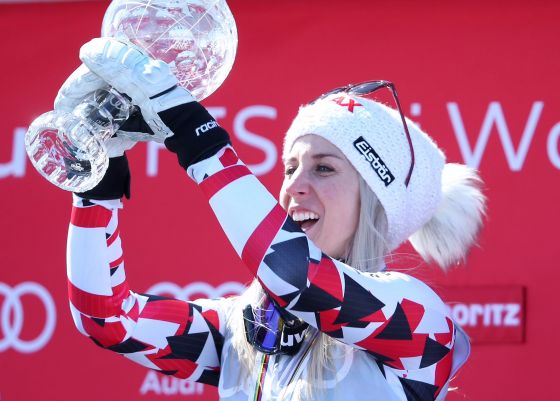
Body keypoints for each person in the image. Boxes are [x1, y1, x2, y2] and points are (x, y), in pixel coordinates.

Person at [60, 38, 485, 401]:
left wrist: (196, 134)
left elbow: (295, 277)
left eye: (324, 168)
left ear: (374, 202)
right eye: (289, 168)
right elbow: (107, 320)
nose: (293, 187)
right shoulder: (240, 330)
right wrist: (100, 181)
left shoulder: (419, 315)